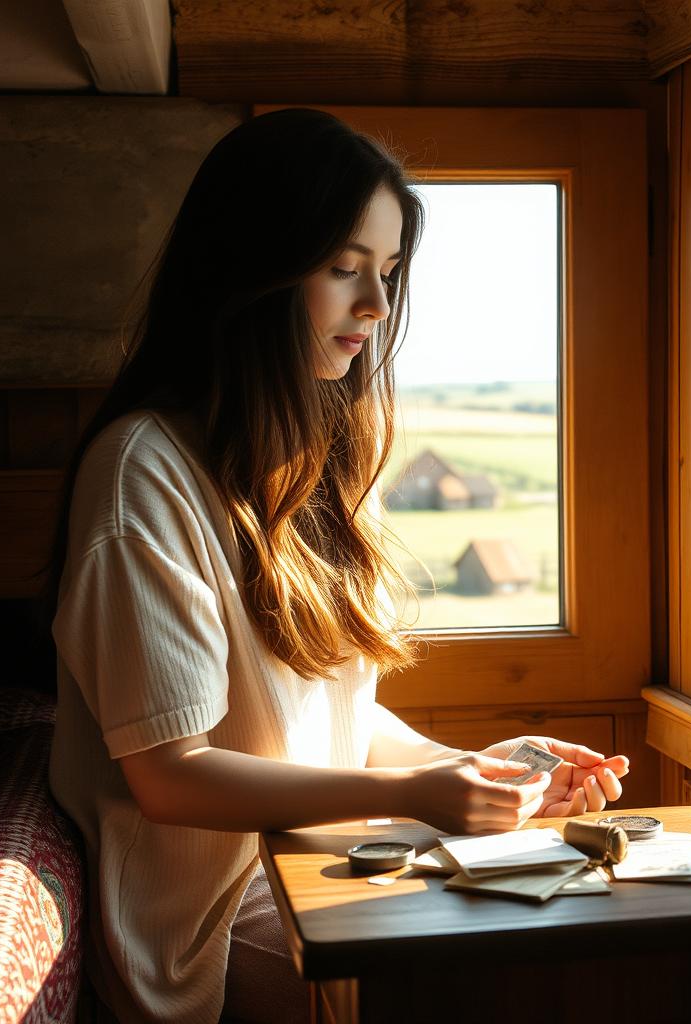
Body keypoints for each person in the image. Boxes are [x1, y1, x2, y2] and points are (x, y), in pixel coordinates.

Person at [44, 108, 630, 1024]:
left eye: (388, 273)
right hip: (204, 929)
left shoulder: (308, 463)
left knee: (586, 942)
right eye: (344, 267)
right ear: (252, 268)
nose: (378, 307)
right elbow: (172, 776)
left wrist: (479, 770)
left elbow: (323, 719)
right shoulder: (141, 476)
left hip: (313, 864)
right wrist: (417, 795)